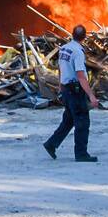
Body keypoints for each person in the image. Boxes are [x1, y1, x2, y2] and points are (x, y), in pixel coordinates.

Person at [43, 25, 99, 162]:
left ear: (72, 35)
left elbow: (61, 68)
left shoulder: (64, 48)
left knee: (68, 120)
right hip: (75, 91)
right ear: (84, 37)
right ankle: (81, 154)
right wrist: (91, 96)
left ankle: (51, 144)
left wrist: (61, 86)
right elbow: (80, 75)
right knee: (82, 122)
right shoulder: (78, 52)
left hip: (67, 89)